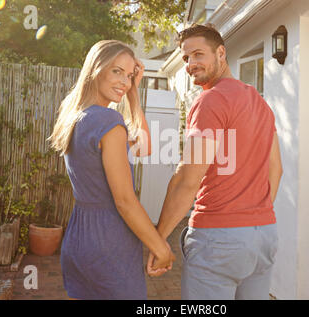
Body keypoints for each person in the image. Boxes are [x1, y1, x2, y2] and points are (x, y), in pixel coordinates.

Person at [146, 24, 283, 300]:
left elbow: (187, 180)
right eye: (186, 58)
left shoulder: (211, 100)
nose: (191, 64)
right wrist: (252, 217)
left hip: (219, 239)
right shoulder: (260, 103)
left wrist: (158, 240)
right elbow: (276, 170)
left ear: (221, 53)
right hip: (264, 236)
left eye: (198, 54)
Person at [49, 40, 175, 300]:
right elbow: (125, 201)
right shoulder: (108, 121)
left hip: (78, 240)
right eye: (117, 71)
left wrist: (133, 94)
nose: (125, 81)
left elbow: (142, 147)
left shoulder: (76, 116)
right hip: (109, 244)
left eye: (129, 76)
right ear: (97, 68)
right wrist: (160, 248)